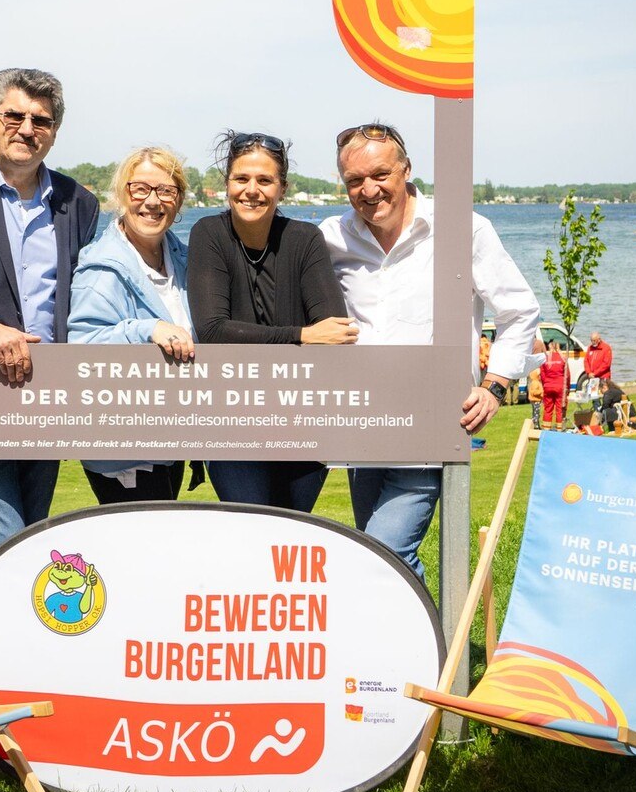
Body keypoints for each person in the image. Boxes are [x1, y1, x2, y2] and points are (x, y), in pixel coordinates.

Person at [320, 121, 540, 581]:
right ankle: (415, 647)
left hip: (433, 422)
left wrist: (496, 386)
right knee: (377, 554)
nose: (368, 189)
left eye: (380, 174)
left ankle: (426, 650)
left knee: (384, 548)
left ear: (406, 169)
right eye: (354, 181)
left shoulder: (464, 229)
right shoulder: (331, 237)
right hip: (361, 422)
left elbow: (518, 311)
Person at [0, 67, 99, 604]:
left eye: (42, 121)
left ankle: (4, 670)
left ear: (54, 132)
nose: (27, 128)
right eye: (15, 115)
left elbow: (82, 296)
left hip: (45, 396)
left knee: (30, 539)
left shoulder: (79, 202)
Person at [188, 131, 357, 511]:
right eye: (241, 178)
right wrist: (301, 335)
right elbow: (214, 331)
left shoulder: (304, 239)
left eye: (265, 180)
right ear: (227, 183)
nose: (252, 190)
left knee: (290, 532)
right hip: (231, 424)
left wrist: (308, 337)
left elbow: (335, 331)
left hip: (302, 420)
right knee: (251, 527)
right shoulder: (209, 234)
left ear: (282, 188)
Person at [68, 146, 195, 503]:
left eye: (166, 191)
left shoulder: (183, 259)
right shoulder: (101, 268)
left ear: (179, 200)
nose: (152, 202)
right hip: (122, 447)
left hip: (168, 439)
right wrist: (146, 330)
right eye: (140, 189)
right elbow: (81, 348)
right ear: (122, 194)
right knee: (143, 552)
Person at [539, 340, 568, 430]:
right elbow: (567, 374)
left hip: (548, 386)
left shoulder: (546, 358)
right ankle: (559, 429)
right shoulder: (563, 358)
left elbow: (542, 374)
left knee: (548, 409)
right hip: (560, 386)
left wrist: (545, 384)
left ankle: (546, 428)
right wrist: (567, 388)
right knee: (559, 409)